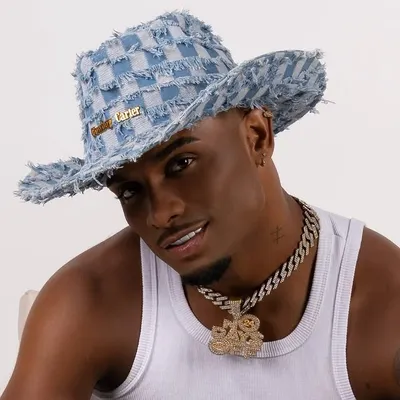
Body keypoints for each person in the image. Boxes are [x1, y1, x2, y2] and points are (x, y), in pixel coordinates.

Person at [2, 10, 400, 400]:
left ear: (257, 136)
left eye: (182, 164)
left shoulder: (383, 302)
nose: (161, 215)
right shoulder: (89, 301)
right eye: (130, 190)